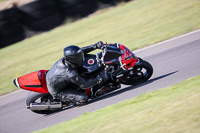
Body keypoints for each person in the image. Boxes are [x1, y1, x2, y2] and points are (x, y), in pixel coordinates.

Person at [46, 41, 109, 106]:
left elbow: (80, 51)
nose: (82, 57)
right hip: (59, 90)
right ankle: (67, 102)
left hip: (55, 79)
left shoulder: (68, 59)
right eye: (79, 57)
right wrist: (100, 77)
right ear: (73, 59)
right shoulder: (71, 73)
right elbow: (85, 84)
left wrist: (95, 46)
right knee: (83, 98)